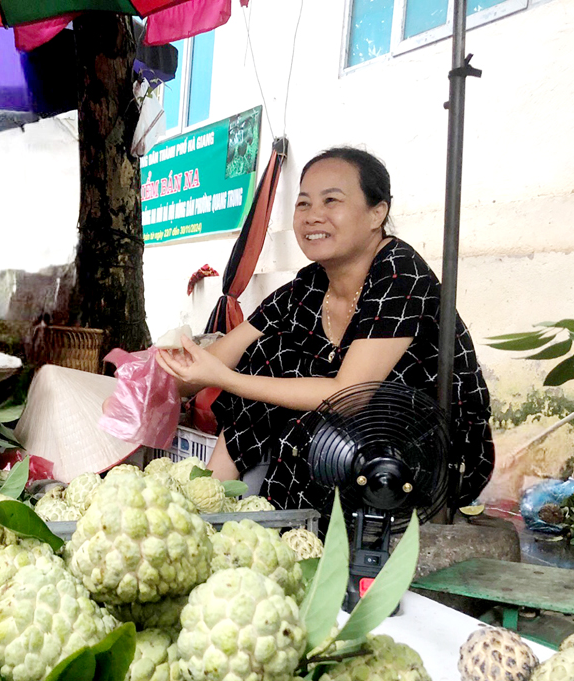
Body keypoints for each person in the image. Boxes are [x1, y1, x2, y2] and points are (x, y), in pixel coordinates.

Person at [156, 147, 494, 517]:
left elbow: (349, 395)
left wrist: (224, 378)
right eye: (303, 204)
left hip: (414, 455)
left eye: (331, 200)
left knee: (281, 385)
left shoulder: (400, 274)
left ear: (376, 213)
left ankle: (270, 518)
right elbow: (218, 357)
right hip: (332, 440)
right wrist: (157, 379)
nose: (313, 216)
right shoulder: (308, 286)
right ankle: (209, 504)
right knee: (269, 352)